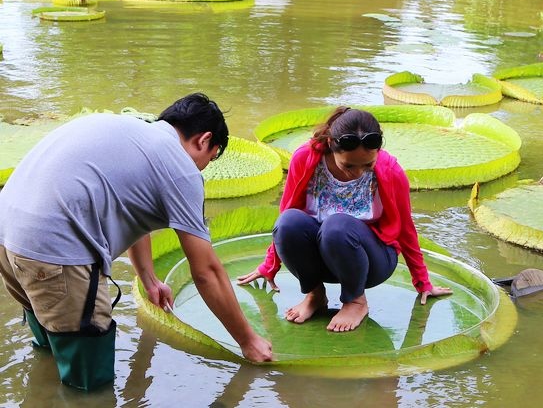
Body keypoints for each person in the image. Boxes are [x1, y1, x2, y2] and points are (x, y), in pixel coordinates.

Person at [0, 93, 272, 391]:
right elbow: (207, 271)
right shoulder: (180, 167)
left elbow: (132, 212)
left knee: (52, 351)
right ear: (204, 140)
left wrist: (150, 280)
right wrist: (249, 341)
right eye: (210, 158)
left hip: (8, 236)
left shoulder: (132, 131)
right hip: (54, 251)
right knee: (90, 385)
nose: (203, 168)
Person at [238, 107, 452, 332]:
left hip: (371, 261)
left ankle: (356, 301)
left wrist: (422, 281)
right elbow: (287, 210)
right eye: (349, 165)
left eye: (367, 165)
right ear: (331, 144)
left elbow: (406, 228)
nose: (358, 173)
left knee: (337, 225)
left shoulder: (391, 171)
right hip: (322, 259)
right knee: (288, 222)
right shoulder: (305, 159)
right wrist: (270, 264)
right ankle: (315, 295)